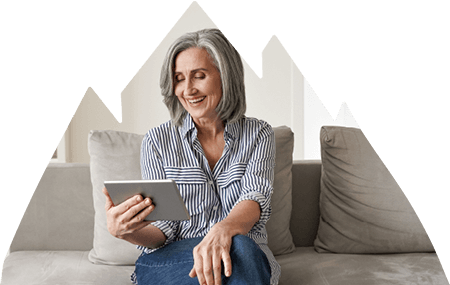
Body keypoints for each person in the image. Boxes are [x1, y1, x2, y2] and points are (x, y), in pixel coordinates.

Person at [102, 28, 281, 285]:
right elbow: (162, 230)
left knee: (239, 248)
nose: (188, 90)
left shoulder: (258, 134)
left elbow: (255, 198)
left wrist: (222, 230)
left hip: (243, 255)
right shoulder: (158, 141)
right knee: (237, 260)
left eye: (199, 76)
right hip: (175, 259)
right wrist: (126, 233)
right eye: (178, 78)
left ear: (225, 76)